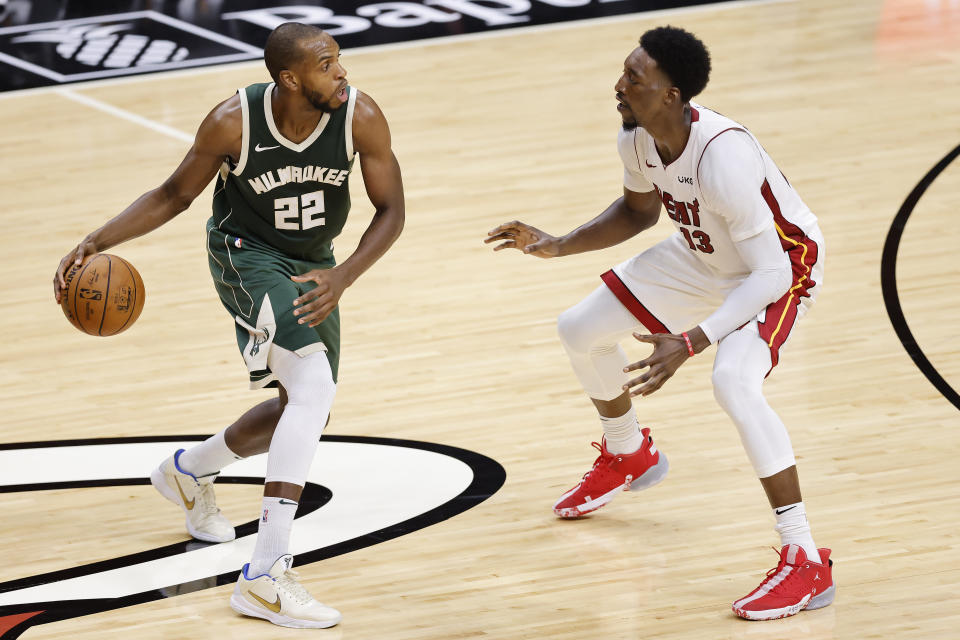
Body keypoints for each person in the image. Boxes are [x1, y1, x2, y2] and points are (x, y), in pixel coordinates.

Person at [53, 22, 404, 629]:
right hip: (245, 255)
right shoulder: (233, 122)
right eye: (327, 64)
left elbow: (392, 210)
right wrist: (95, 240)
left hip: (316, 265)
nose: (342, 72)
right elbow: (172, 194)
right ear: (290, 79)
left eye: (339, 60)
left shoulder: (360, 116)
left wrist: (343, 274)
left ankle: (191, 471)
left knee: (304, 406)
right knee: (313, 387)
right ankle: (264, 576)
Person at [486, 25, 833, 621]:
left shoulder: (724, 153)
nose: (619, 86)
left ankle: (804, 557)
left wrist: (692, 341)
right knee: (579, 330)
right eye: (624, 72)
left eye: (634, 78)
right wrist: (557, 244)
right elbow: (639, 210)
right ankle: (628, 453)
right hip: (703, 255)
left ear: (672, 93)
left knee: (734, 383)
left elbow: (769, 273)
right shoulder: (638, 138)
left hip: (779, 267)